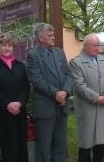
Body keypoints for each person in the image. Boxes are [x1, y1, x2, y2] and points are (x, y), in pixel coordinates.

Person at [27, 23, 73, 162]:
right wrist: (56, 94)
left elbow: (68, 74)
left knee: (60, 145)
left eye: (53, 34)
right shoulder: (33, 55)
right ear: (41, 38)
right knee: (44, 147)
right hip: (45, 108)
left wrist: (65, 91)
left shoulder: (59, 52)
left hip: (62, 105)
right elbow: (36, 79)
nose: (54, 37)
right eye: (50, 35)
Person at [69, 34, 104, 162]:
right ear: (85, 46)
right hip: (88, 110)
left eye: (98, 45)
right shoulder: (76, 63)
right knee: (86, 146)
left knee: (100, 146)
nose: (97, 48)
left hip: (103, 108)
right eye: (94, 45)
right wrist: (97, 98)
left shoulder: (103, 60)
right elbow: (80, 86)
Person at [0, 33, 29, 162]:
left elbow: (26, 87)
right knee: (8, 146)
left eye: (10, 45)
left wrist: (19, 103)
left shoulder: (20, 65)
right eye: (4, 45)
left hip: (20, 111)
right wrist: (7, 104)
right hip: (3, 112)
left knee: (21, 144)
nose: (7, 48)